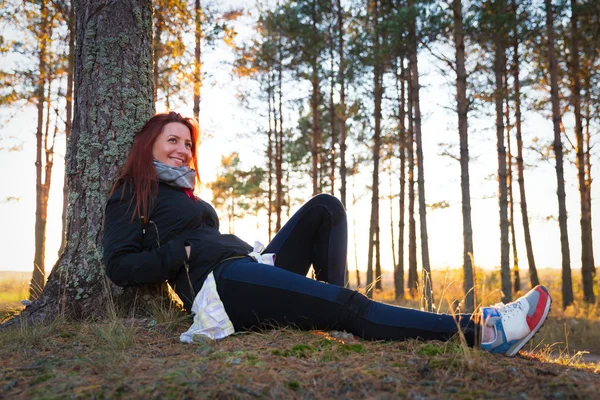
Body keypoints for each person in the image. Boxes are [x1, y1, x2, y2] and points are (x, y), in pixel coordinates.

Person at [103, 112, 551, 357]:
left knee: (326, 208)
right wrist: (179, 251)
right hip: (224, 286)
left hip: (248, 267)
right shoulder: (132, 192)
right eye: (173, 141)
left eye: (188, 144)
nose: (183, 150)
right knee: (349, 305)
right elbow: (120, 266)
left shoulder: (184, 195)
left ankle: (332, 307)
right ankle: (485, 332)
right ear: (150, 144)